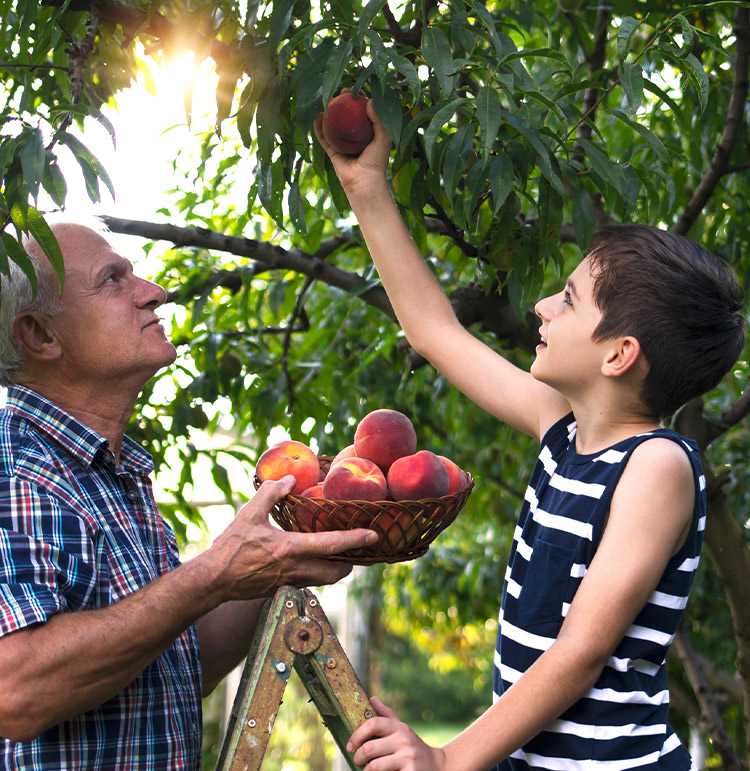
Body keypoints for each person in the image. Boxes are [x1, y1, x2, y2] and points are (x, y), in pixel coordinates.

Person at [314, 101, 746, 770]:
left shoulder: (658, 465)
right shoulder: (563, 429)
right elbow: (435, 332)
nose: (542, 305)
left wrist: (451, 759)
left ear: (619, 354)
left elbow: (581, 651)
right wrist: (364, 186)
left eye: (569, 298)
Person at [0, 221, 378, 769]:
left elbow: (170, 670)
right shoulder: (15, 467)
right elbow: (16, 689)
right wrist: (213, 574)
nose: (155, 291)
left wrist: (283, 556)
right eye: (113, 279)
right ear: (41, 336)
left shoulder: (113, 472)